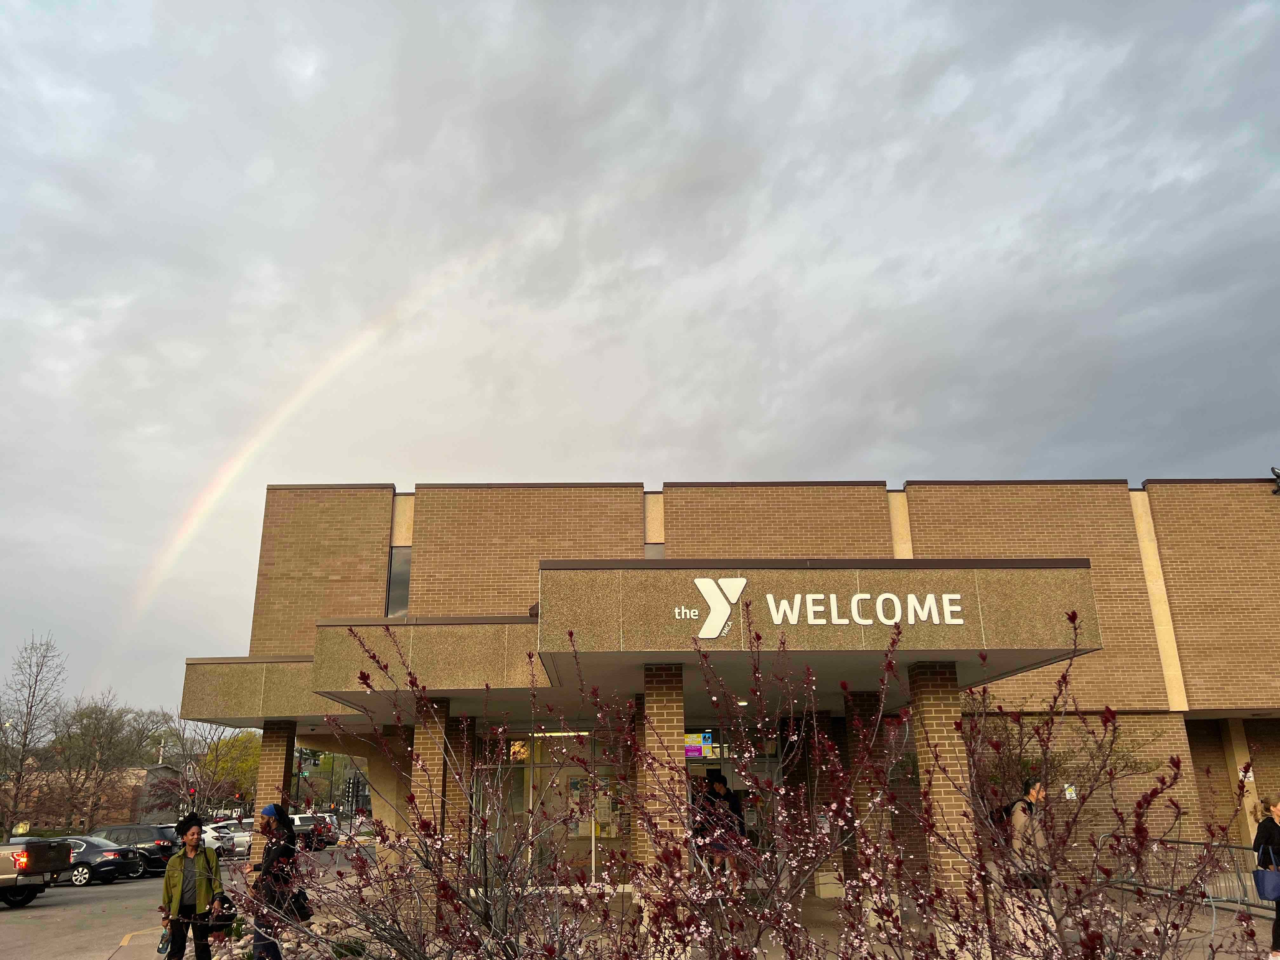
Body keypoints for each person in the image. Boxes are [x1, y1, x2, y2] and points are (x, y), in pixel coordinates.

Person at [160, 812, 224, 960]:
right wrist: (165, 915)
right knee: (176, 947)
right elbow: (167, 891)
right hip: (179, 910)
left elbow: (216, 881)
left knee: (202, 947)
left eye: (198, 834)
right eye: (192, 834)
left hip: (201, 908)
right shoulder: (174, 861)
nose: (196, 837)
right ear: (184, 837)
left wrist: (218, 899)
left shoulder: (208, 854)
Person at [250, 803, 298, 960]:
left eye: (263, 818)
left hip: (274, 891)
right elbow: (270, 861)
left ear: (272, 818)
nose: (260, 822)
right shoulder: (275, 836)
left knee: (262, 935)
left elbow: (273, 862)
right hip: (270, 889)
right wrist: (255, 866)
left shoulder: (283, 836)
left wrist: (256, 885)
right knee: (266, 936)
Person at [705, 774, 745, 894]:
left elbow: (739, 816)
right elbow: (709, 814)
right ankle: (718, 887)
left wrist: (742, 833)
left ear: (721, 784)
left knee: (733, 863)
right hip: (718, 834)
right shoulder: (714, 798)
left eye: (715, 784)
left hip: (731, 834)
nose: (714, 786)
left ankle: (735, 889)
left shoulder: (732, 798)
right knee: (716, 863)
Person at [1253, 796, 1280, 959]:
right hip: (1276, 871)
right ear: (1273, 808)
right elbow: (1258, 847)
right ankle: (1277, 949)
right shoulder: (1267, 826)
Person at [1010, 778, 1048, 887]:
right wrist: (1019, 862)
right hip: (1029, 862)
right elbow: (1016, 834)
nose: (1044, 793)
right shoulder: (1021, 808)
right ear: (1032, 791)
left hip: (1037, 860)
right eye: (1041, 790)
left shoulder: (1032, 807)